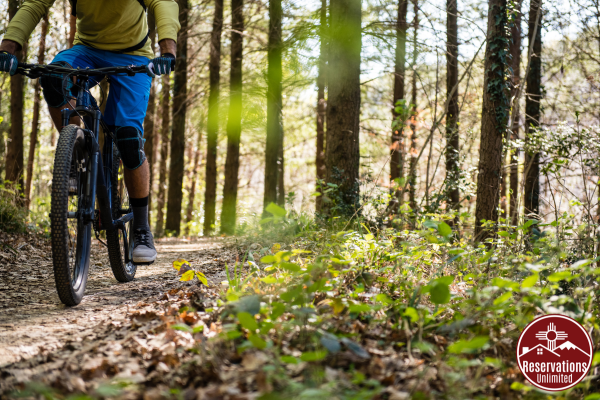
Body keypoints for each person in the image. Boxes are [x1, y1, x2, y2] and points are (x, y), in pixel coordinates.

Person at [0, 0, 181, 264]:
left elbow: (163, 3)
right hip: (85, 50)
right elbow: (35, 4)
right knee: (54, 79)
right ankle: (77, 150)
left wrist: (167, 50)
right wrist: (8, 48)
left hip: (135, 54)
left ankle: (141, 229)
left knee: (129, 139)